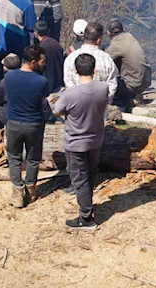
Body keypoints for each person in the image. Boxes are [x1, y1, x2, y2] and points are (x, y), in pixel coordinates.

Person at [51, 53, 109, 231]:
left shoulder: (70, 94)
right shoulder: (103, 88)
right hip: (96, 140)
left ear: (76, 71)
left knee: (79, 179)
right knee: (90, 173)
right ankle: (88, 204)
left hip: (75, 142)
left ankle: (86, 218)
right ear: (94, 69)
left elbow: (57, 111)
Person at [5, 45, 50, 208]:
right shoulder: (42, 81)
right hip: (34, 124)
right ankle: (31, 189)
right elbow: (44, 100)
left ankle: (17, 193)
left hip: (13, 123)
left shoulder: (9, 77)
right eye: (42, 61)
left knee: (14, 157)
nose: (44, 64)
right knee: (33, 158)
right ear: (33, 62)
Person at [0, 0, 37, 95]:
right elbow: (31, 26)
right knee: (13, 76)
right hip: (15, 46)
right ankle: (10, 99)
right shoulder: (27, 4)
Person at [63, 22, 118, 104]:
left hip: (77, 105)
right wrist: (105, 101)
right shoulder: (107, 59)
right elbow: (112, 85)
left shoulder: (71, 58)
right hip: (100, 105)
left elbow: (69, 84)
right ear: (98, 40)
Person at [106, 19, 151, 112]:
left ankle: (128, 100)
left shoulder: (115, 45)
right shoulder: (129, 36)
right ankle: (134, 94)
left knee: (105, 82)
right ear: (123, 29)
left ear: (108, 33)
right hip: (145, 80)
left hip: (133, 85)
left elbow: (102, 59)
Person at [35, 20, 64, 93]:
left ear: (36, 33)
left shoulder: (41, 48)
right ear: (48, 31)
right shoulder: (56, 43)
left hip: (47, 85)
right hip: (59, 82)